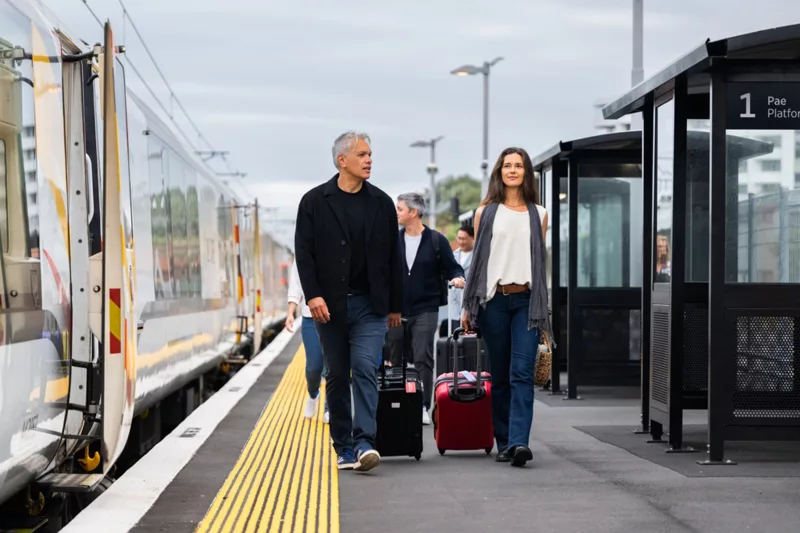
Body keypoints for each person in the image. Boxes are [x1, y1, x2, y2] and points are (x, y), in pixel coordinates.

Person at [294, 130, 403, 473]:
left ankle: (365, 442)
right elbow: (304, 254)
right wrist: (312, 295)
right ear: (342, 160)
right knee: (338, 375)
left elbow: (393, 256)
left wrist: (396, 304)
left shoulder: (382, 203)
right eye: (362, 155)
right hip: (330, 307)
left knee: (367, 369)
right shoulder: (314, 202)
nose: (369, 160)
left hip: (371, 306)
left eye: (370, 154)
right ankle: (343, 446)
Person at [461, 147, 555, 468]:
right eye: (507, 166)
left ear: (527, 173)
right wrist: (468, 307)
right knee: (500, 375)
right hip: (494, 302)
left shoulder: (539, 214)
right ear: (499, 172)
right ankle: (504, 441)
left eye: (518, 166)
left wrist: (544, 310)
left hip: (528, 301)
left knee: (521, 372)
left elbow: (539, 265)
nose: (513, 170)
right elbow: (477, 265)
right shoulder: (484, 212)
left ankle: (519, 443)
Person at [387, 193, 464, 425]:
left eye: (400, 209)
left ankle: (421, 405)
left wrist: (458, 278)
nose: (397, 212)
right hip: (395, 310)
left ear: (414, 212)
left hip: (426, 308)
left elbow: (453, 267)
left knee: (423, 357)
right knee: (395, 357)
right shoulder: (392, 240)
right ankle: (397, 401)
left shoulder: (436, 240)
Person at [285, 259, 329, 424]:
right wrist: (290, 313)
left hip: (334, 318)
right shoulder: (304, 251)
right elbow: (296, 286)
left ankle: (328, 407)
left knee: (331, 367)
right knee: (313, 367)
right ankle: (313, 394)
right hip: (311, 318)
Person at [439, 224, 474, 338]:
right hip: (455, 306)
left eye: (464, 238)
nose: (461, 241)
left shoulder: (476, 256)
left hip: (471, 304)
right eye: (459, 238)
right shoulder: (453, 255)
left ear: (472, 238)